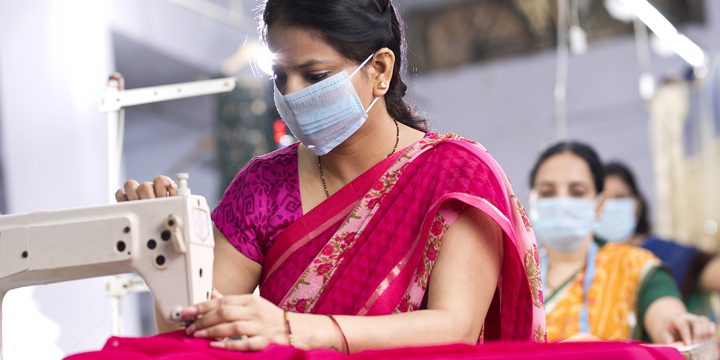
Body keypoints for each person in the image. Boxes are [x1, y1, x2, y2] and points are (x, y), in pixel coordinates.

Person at [115, 0, 545, 353]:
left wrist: (294, 329)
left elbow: (456, 327)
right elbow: (198, 332)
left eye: (315, 75)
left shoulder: (455, 173)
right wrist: (167, 255)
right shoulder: (263, 186)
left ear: (379, 69)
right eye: (281, 76)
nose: (293, 93)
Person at [528, 141, 715, 343]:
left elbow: (666, 315)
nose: (562, 202)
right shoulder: (515, 277)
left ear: (599, 205)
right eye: (547, 192)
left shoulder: (633, 266)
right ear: (532, 201)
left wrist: (678, 323)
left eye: (577, 192)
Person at [597, 161, 720, 319]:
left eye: (620, 197)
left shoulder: (663, 255)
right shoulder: (585, 265)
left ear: (638, 204)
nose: (610, 206)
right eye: (602, 199)